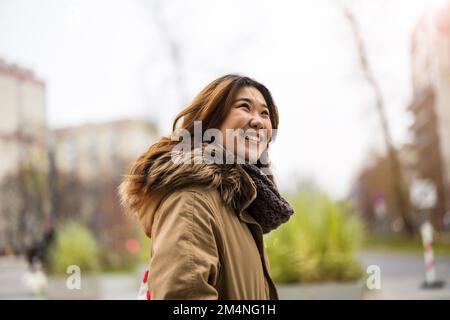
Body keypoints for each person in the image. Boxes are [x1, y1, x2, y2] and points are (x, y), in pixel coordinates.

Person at [119, 74, 294, 300]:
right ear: (212, 120)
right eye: (244, 107)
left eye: (265, 113)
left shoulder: (239, 205)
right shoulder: (192, 199)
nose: (259, 121)